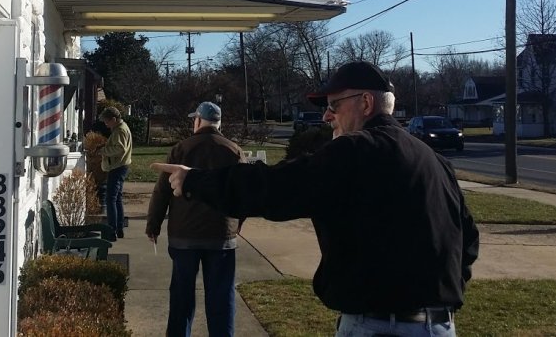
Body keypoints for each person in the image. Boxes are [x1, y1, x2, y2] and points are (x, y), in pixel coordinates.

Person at [153, 61, 479, 337]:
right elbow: (468, 241)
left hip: (377, 325)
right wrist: (439, 292)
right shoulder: (436, 162)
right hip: (439, 325)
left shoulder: (354, 150)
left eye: (334, 105)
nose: (326, 116)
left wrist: (194, 179)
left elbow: (277, 188)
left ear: (366, 103)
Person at [146, 102, 245, 337]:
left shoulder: (181, 149)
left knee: (182, 297)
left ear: (198, 121)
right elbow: (244, 192)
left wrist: (154, 225)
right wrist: (237, 224)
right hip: (221, 236)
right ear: (218, 124)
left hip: (184, 236)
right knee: (221, 297)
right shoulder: (234, 151)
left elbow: (162, 191)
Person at [99, 106, 132, 238]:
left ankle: (112, 230)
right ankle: (119, 228)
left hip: (117, 167)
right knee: (117, 198)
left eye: (107, 122)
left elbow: (120, 149)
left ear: (114, 119)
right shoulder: (122, 128)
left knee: (110, 199)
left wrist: (103, 151)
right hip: (121, 166)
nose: (106, 125)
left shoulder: (119, 131)